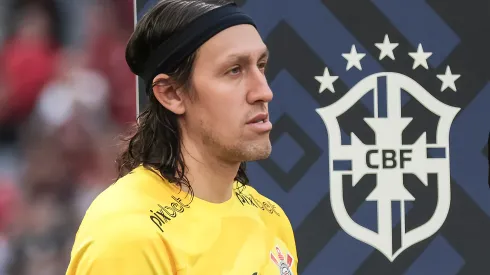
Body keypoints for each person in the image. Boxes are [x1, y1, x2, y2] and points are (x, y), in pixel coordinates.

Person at [66, 0, 298, 274]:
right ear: (171, 94)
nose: (264, 92)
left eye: (261, 66)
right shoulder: (129, 234)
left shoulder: (271, 218)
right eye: (234, 70)